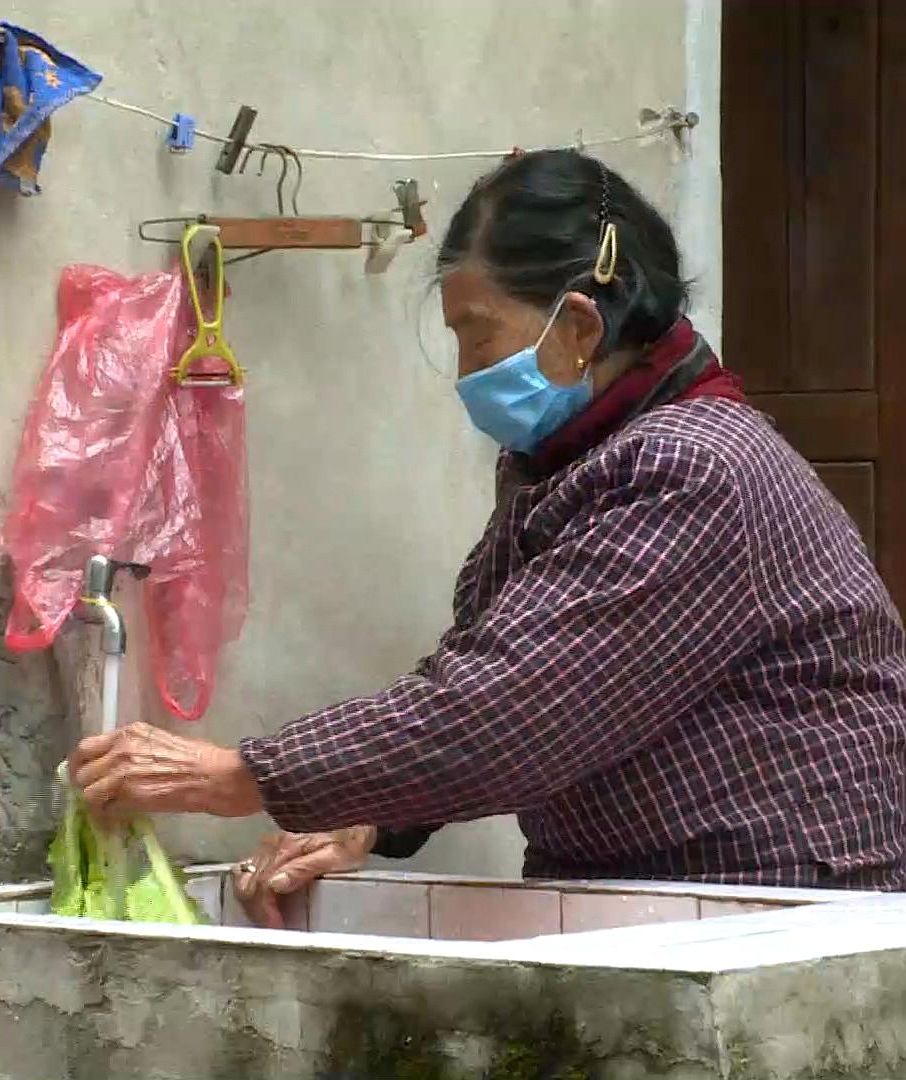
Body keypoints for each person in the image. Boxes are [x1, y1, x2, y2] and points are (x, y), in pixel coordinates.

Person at [67, 149, 906, 925]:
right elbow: (498, 673)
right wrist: (366, 812)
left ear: (580, 327)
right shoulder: (573, 463)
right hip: (648, 895)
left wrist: (240, 778)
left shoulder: (693, 467)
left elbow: (513, 707)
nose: (468, 372)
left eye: (479, 334)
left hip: (777, 899)